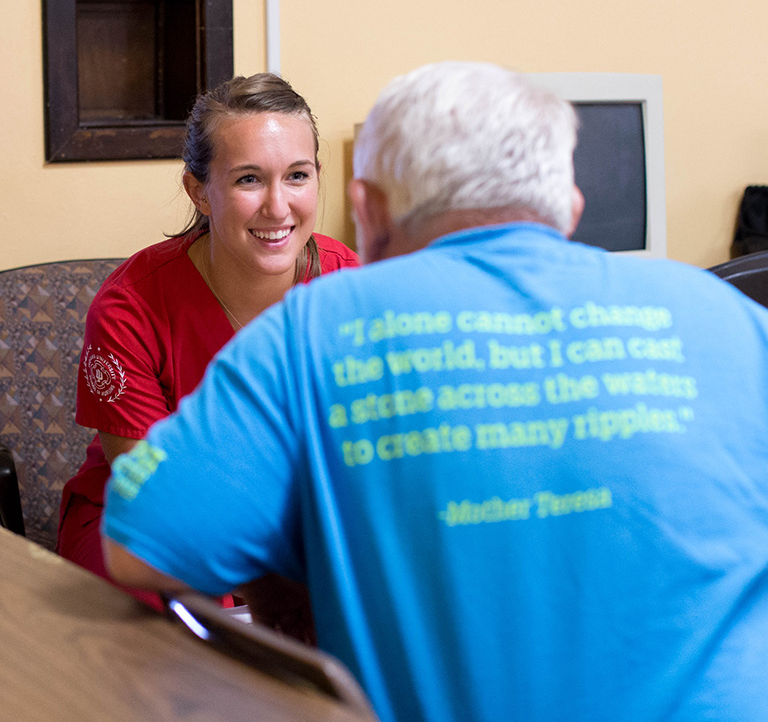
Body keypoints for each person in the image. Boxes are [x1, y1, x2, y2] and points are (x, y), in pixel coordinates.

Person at [102, 62, 768, 722]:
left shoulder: (319, 326)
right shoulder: (733, 314)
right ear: (570, 205)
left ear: (365, 208)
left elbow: (140, 546)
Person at [58, 73, 358, 612]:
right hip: (146, 531)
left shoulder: (347, 286)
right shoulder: (131, 308)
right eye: (248, 179)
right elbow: (153, 498)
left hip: (299, 523)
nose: (278, 206)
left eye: (297, 175)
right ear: (200, 191)